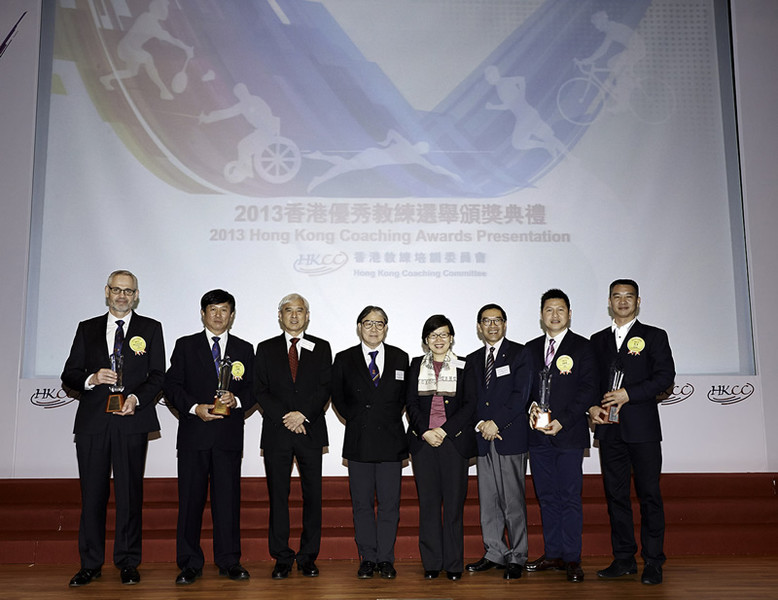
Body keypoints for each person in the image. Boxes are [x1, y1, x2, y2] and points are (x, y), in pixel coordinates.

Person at [61, 270, 165, 587]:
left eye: (128, 291)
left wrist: (135, 397)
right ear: (107, 292)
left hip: (132, 421)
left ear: (136, 295)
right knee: (92, 495)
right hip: (94, 423)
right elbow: (69, 374)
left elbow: (158, 376)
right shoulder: (87, 328)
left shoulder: (150, 328)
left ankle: (128, 562)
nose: (122, 296)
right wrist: (92, 379)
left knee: (130, 495)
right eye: (117, 289)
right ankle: (90, 563)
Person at [163, 289, 255, 585]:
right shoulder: (185, 346)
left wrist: (237, 400)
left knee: (228, 501)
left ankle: (229, 560)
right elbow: (172, 386)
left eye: (224, 310)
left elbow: (255, 388)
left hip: (228, 438)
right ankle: (190, 562)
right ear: (203, 314)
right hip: (194, 435)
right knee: (190, 501)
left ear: (232, 315)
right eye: (212, 310)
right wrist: (194, 408)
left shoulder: (244, 348)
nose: (218, 315)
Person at [588, 279, 675, 585]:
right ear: (609, 302)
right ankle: (624, 558)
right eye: (616, 296)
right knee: (616, 497)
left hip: (644, 431)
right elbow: (589, 383)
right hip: (610, 433)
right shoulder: (596, 340)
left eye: (628, 296)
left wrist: (629, 394)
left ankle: (653, 560)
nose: (622, 301)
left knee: (650, 495)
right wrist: (590, 408)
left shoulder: (654, 336)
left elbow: (665, 377)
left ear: (638, 301)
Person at [254, 293, 332, 579]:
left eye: (300, 310)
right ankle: (282, 557)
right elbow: (260, 389)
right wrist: (287, 417)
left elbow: (325, 387)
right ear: (280, 315)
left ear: (308, 316)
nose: (295, 316)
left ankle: (308, 556)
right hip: (277, 432)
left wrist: (302, 415)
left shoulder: (322, 348)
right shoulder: (265, 348)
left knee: (313, 496)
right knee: (278, 496)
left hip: (309, 430)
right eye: (289, 310)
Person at [524, 290, 597, 583]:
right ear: (541, 315)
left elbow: (588, 390)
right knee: (547, 497)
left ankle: (572, 558)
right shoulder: (529, 349)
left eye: (560, 310)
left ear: (569, 314)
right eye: (549, 310)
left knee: (569, 497)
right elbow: (524, 387)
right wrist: (530, 406)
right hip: (538, 437)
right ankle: (553, 553)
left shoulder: (583, 347)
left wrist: (562, 422)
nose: (554, 315)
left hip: (567, 436)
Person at [331, 306, 409, 579]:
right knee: (362, 504)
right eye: (368, 323)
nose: (374, 329)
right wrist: (357, 417)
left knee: (390, 504)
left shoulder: (401, 358)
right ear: (359, 327)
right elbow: (338, 398)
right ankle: (367, 558)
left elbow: (403, 399)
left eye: (379, 324)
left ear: (386, 328)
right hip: (359, 440)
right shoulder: (343, 358)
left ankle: (386, 559)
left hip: (390, 440)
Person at [464, 304, 532, 580]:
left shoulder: (520, 353)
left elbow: (521, 395)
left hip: (509, 437)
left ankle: (517, 555)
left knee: (512, 500)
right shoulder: (472, 359)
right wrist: (481, 424)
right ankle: (494, 552)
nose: (492, 325)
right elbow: (470, 399)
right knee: (488, 500)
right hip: (482, 438)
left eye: (497, 320)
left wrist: (496, 423)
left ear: (505, 324)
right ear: (479, 327)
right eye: (486, 321)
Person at [406, 315, 475, 581]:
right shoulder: (415, 366)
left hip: (453, 442)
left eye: (444, 335)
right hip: (423, 443)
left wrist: (444, 431)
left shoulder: (464, 366)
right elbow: (410, 403)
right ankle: (432, 562)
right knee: (429, 505)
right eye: (433, 335)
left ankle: (454, 563)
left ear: (451, 338)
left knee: (454, 506)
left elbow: (470, 404)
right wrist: (426, 431)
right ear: (426, 340)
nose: (438, 340)